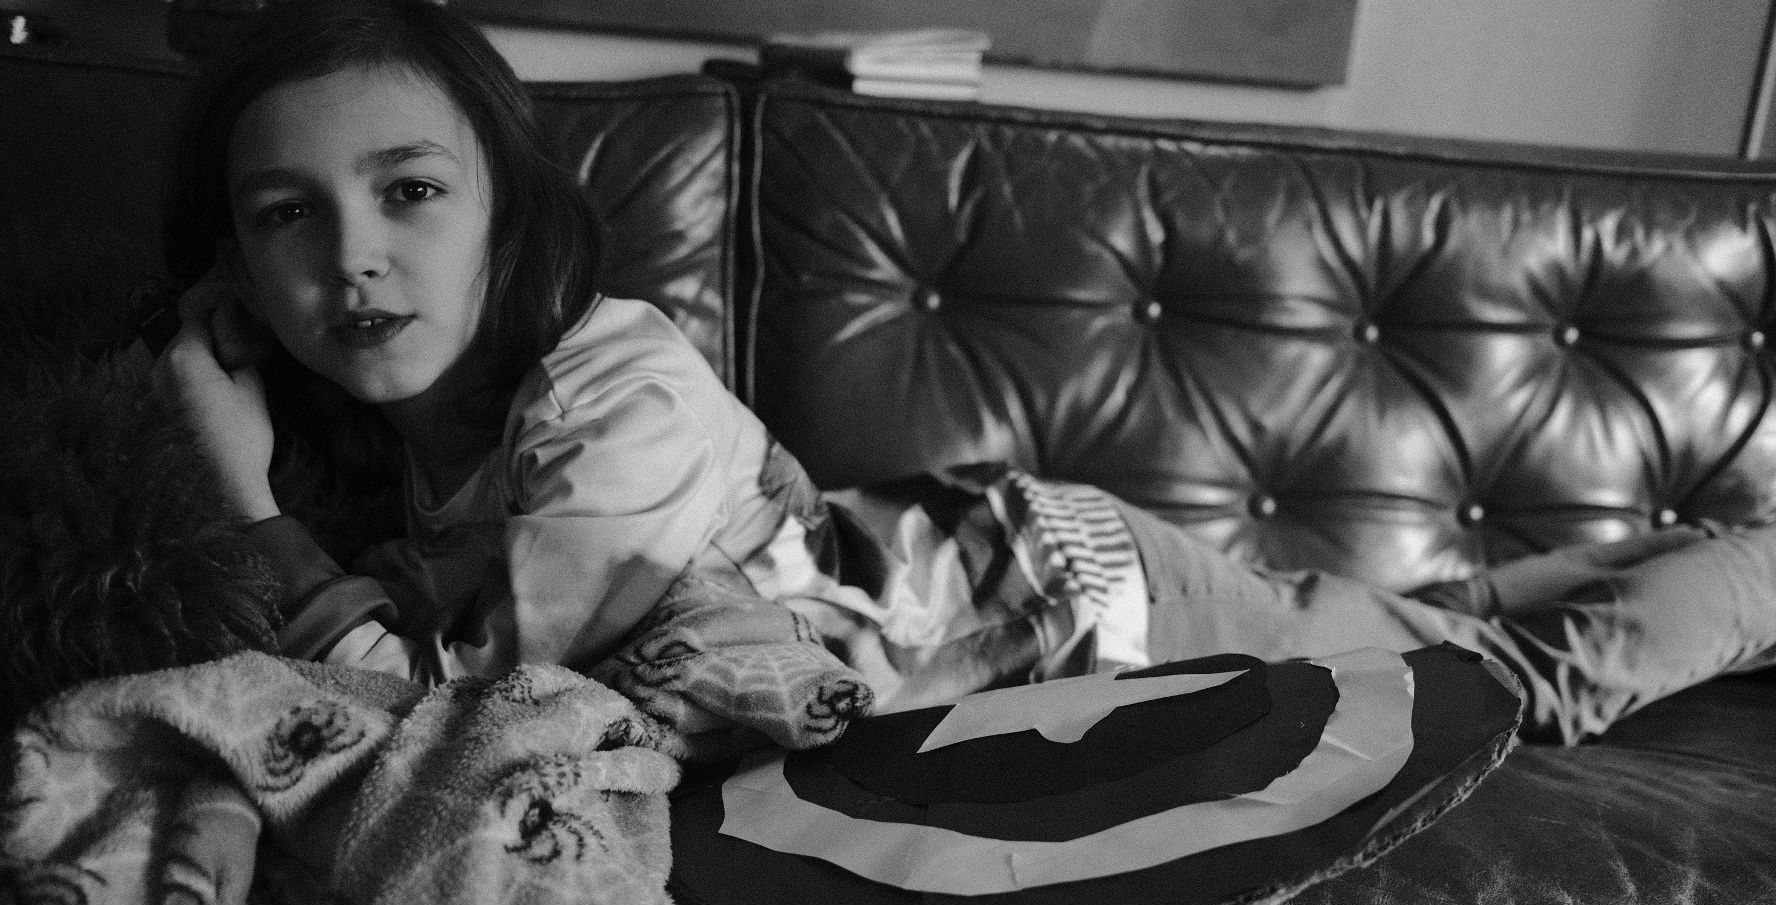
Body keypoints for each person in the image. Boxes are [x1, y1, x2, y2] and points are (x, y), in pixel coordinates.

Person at [156, 0, 1776, 746]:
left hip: (1068, 604)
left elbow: (469, 724)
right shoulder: (404, 444)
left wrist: (243, 500)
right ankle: (1677, 556)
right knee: (1430, 619)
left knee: (1516, 694)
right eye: (286, 216)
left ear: (509, 209)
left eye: (409, 190)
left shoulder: (611, 390)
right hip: (1001, 559)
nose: (351, 258)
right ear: (232, 268)